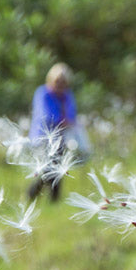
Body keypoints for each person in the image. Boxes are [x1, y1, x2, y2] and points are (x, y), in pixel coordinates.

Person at [28, 62, 89, 201]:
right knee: (47, 168)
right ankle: (32, 194)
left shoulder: (67, 95)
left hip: (62, 136)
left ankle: (54, 199)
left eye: (63, 82)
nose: (60, 85)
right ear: (51, 79)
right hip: (43, 137)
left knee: (59, 167)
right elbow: (45, 115)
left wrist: (67, 121)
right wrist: (64, 120)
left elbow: (72, 114)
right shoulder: (42, 93)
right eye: (58, 81)